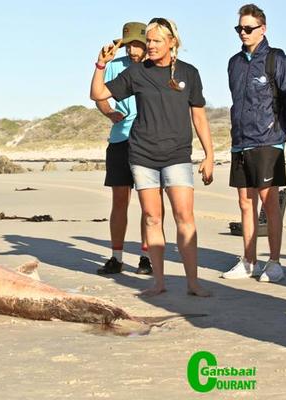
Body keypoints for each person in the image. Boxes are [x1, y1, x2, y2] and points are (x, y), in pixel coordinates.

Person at [90, 18, 214, 297]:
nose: (151, 45)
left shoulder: (189, 73)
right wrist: (100, 65)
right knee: (151, 218)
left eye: (157, 40)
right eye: (149, 40)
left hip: (178, 155)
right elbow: (97, 94)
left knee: (185, 217)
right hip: (143, 155)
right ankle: (158, 282)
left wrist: (209, 154)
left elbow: (199, 116)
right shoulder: (137, 73)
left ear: (172, 42)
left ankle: (193, 282)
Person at [221, 4, 286, 283]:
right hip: (240, 141)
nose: (243, 33)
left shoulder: (278, 61)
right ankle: (248, 261)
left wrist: (280, 132)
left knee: (270, 204)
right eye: (239, 28)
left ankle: (275, 262)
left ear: (262, 29)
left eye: (248, 28)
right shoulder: (234, 63)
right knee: (245, 203)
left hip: (268, 141)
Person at [95, 22, 152, 276]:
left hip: (149, 141)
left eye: (137, 45)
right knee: (120, 201)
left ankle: (146, 257)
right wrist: (109, 112)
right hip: (120, 140)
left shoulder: (156, 65)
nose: (132, 50)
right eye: (128, 45)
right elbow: (99, 96)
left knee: (149, 204)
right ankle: (116, 257)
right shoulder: (115, 66)